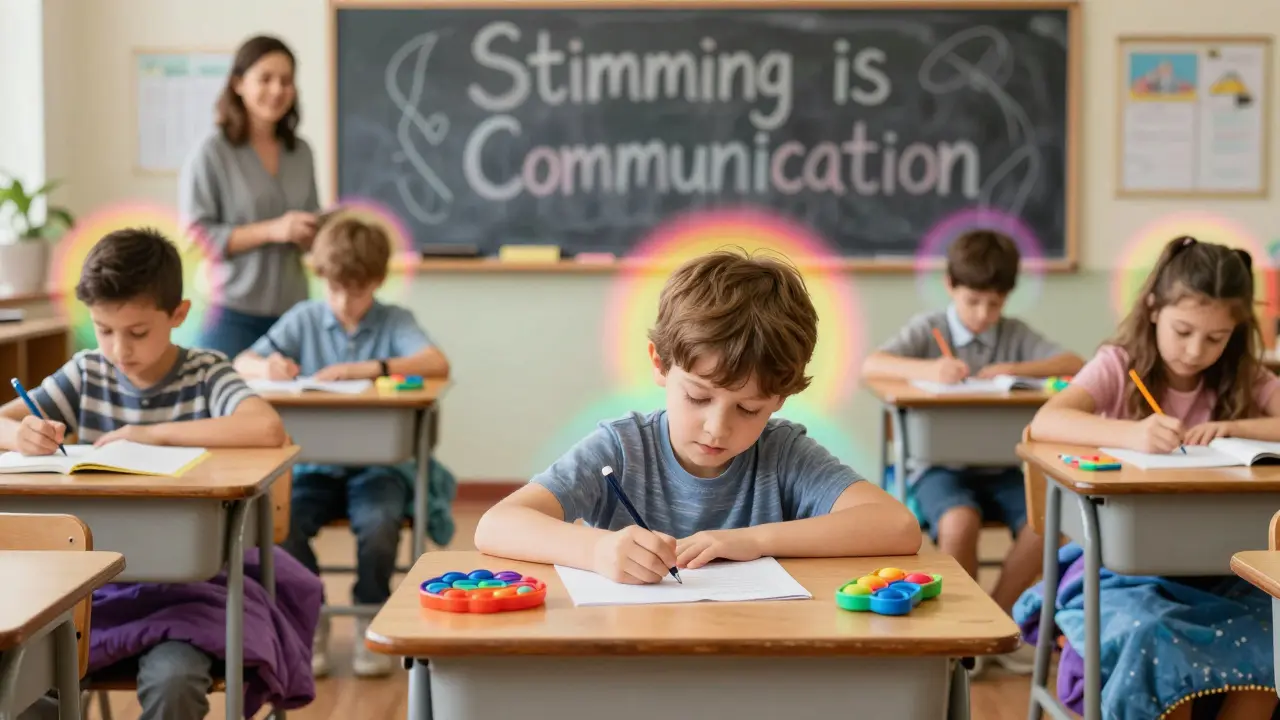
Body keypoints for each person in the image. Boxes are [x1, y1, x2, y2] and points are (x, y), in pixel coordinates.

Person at [2, 227, 321, 720]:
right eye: (103, 330)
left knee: (174, 682)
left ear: (178, 315)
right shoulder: (87, 373)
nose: (118, 350)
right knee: (20, 680)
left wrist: (155, 435)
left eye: (136, 333)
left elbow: (266, 426)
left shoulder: (207, 372)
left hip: (191, 592)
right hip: (90, 593)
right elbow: (3, 420)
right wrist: (19, 435)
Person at [475, 248, 921, 582]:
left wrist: (751, 541)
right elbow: (497, 525)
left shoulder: (783, 454)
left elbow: (897, 526)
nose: (717, 427)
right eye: (698, 396)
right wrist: (598, 550)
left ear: (780, 399)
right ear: (660, 364)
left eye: (749, 409)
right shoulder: (621, 448)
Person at [1015, 236, 1280, 720]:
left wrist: (1239, 426)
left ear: (1235, 333)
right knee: (1152, 638)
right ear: (1154, 308)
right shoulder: (1119, 365)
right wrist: (1131, 434)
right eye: (1183, 330)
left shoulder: (1241, 375)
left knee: (1275, 634)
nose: (1196, 350)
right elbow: (1047, 421)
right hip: (1119, 572)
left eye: (1216, 338)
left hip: (1223, 571)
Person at [234, 215, 451, 677]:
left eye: (355, 291)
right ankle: (311, 614)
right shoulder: (305, 317)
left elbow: (435, 362)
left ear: (375, 282)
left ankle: (370, 609)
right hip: (313, 468)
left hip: (378, 469)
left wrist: (368, 368)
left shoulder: (394, 320)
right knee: (280, 524)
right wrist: (267, 365)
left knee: (379, 524)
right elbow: (242, 360)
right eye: (333, 289)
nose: (343, 302)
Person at [861, 229, 1084, 675]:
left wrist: (1015, 369)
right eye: (973, 302)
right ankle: (963, 633)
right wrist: (930, 368)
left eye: (995, 304)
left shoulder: (1014, 335)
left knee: (1047, 524)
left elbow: (1075, 365)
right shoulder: (929, 329)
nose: (983, 314)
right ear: (950, 287)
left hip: (1004, 470)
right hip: (940, 469)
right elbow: (872, 365)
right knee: (960, 521)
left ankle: (993, 626)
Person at [179, 34, 320, 359]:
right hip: (231, 314)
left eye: (286, 81)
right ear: (239, 83)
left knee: (295, 409)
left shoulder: (301, 152)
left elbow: (310, 222)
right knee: (226, 405)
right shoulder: (212, 152)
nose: (277, 90)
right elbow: (196, 236)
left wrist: (316, 232)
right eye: (265, 79)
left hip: (293, 315)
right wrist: (274, 230)